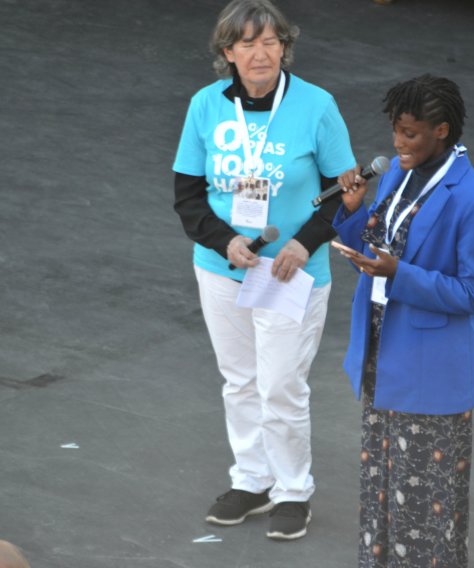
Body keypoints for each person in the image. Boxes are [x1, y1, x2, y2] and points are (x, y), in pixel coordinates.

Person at [172, 0, 356, 541]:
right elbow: (188, 196)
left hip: (289, 273)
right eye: (248, 44)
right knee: (240, 381)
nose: (260, 53)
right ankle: (252, 480)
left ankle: (293, 490)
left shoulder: (316, 106)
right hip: (221, 268)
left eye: (271, 42)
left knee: (280, 385)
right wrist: (224, 241)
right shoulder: (205, 106)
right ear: (228, 52)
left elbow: (346, 194)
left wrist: (304, 242)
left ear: (284, 48)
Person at [334, 74, 474, 567]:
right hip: (382, 359)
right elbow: (376, 253)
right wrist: (354, 213)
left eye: (409, 133)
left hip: (429, 375)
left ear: (441, 130)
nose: (397, 143)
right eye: (395, 130)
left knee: (425, 510)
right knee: (380, 495)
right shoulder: (397, 177)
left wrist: (400, 275)